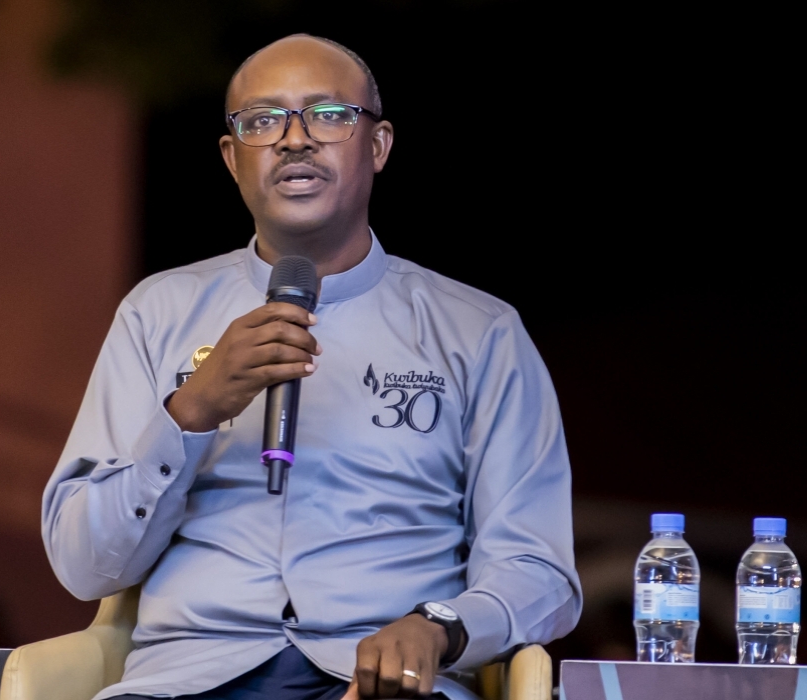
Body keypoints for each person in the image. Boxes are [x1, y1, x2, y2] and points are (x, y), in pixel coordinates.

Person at [42, 34, 581, 700]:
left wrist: (438, 626)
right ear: (232, 158)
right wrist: (189, 415)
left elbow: (540, 572)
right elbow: (82, 565)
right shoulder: (158, 313)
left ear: (378, 146)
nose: (295, 140)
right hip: (186, 682)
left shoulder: (479, 334)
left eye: (327, 115)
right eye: (263, 121)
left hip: (383, 685)